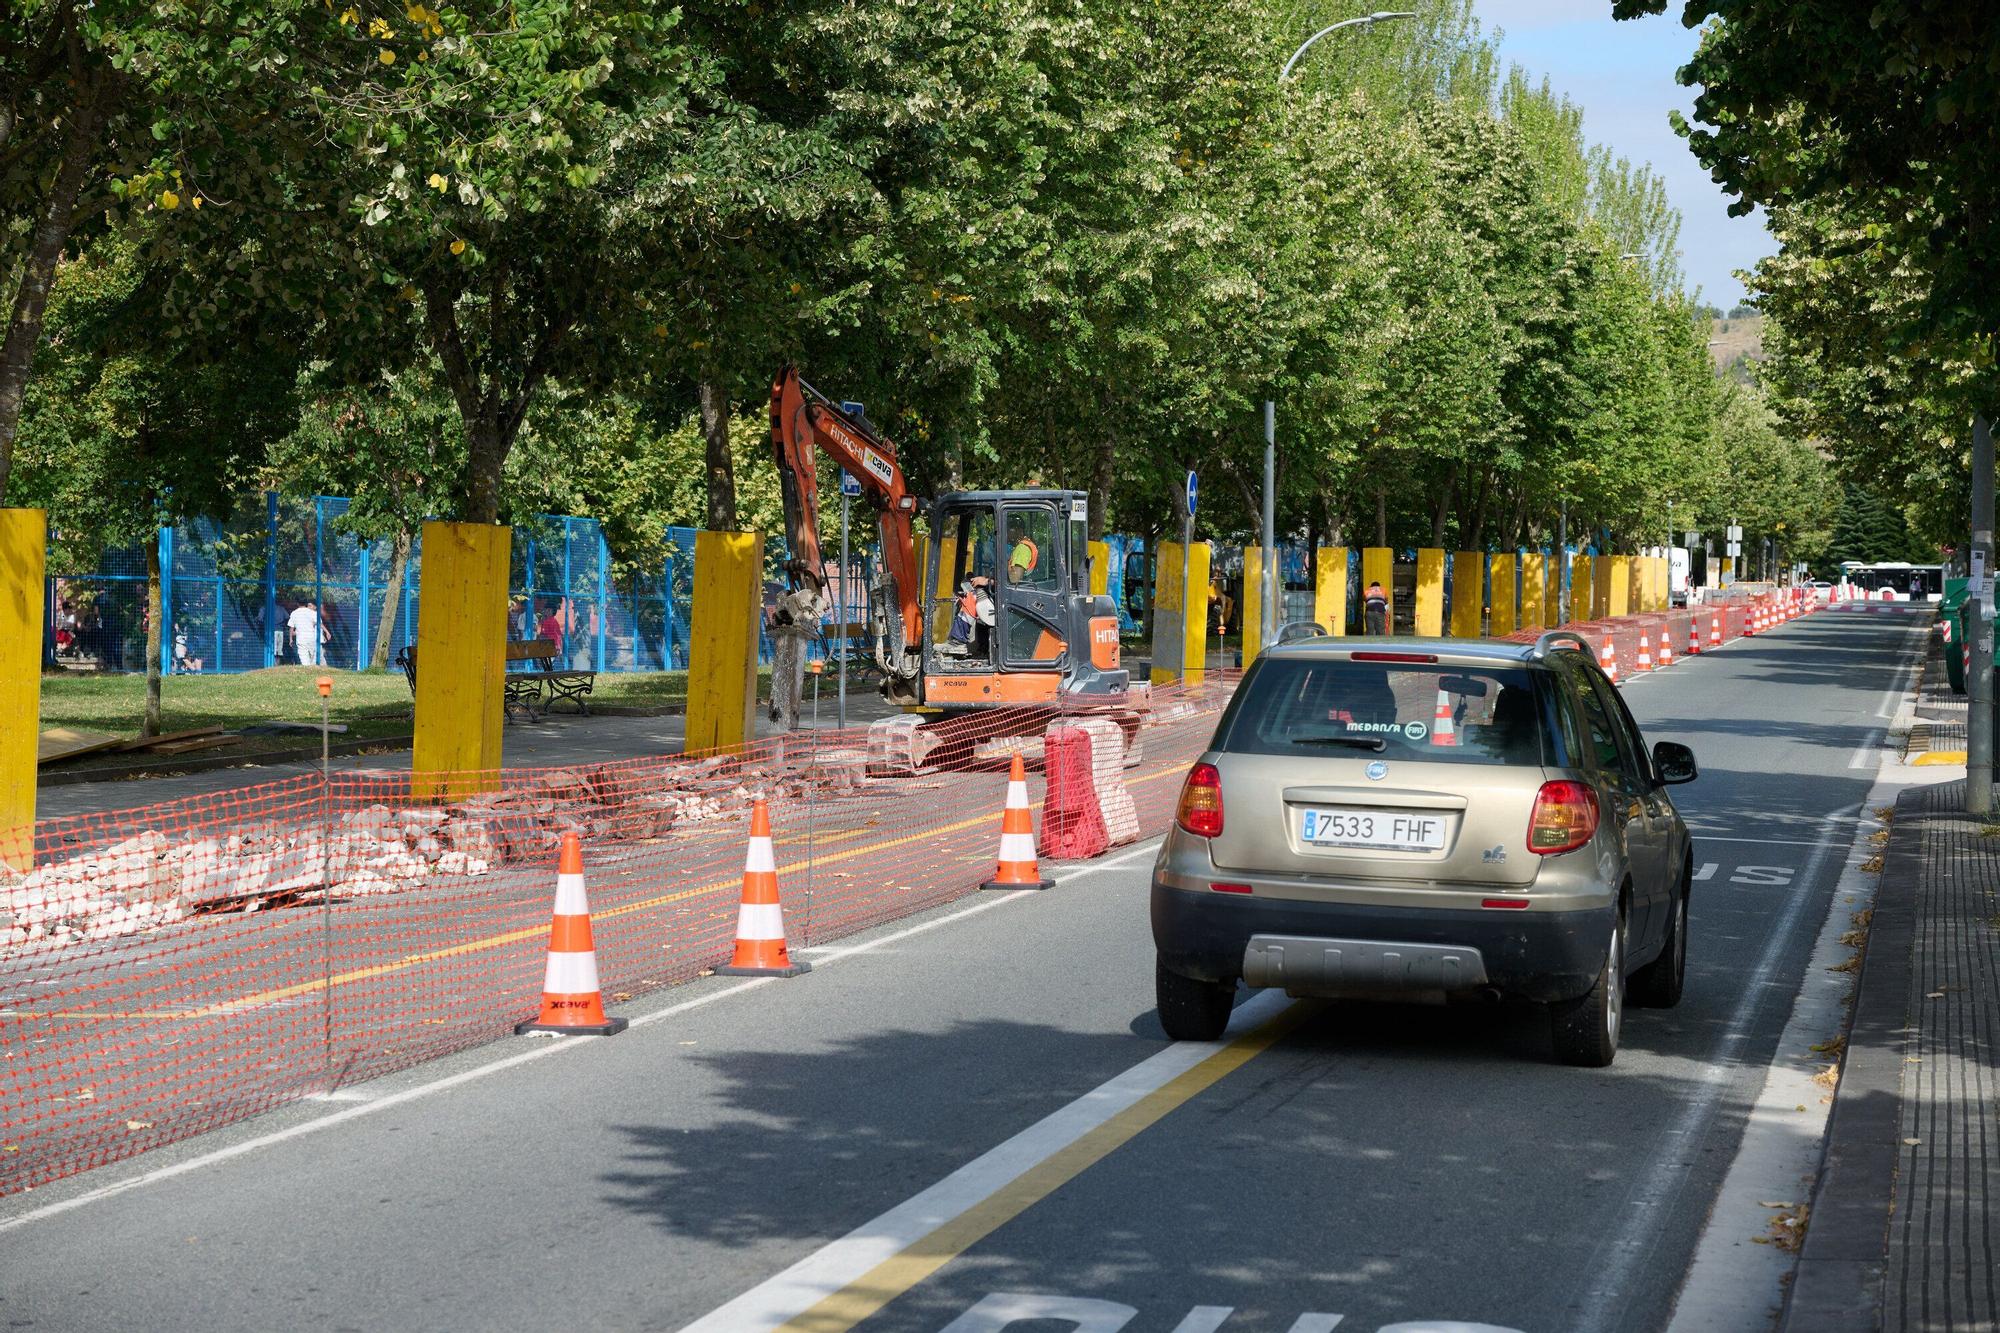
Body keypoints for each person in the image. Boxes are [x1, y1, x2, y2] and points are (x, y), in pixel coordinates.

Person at [287, 597, 324, 667]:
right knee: (313, 658)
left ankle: (308, 671)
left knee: (304, 660)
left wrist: (290, 639)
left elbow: (291, 627)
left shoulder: (294, 613)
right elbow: (319, 623)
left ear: (297, 603)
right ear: (306, 603)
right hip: (312, 637)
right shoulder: (312, 613)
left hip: (301, 638)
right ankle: (313, 671)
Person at [1006, 519, 1040, 583]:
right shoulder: (1024, 545)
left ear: (1019, 531)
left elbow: (1014, 579)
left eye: (1008, 530)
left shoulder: (1022, 548)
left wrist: (1002, 565)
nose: (1006, 533)